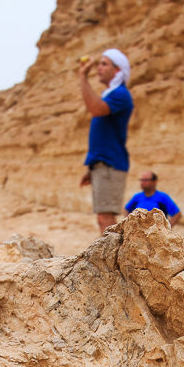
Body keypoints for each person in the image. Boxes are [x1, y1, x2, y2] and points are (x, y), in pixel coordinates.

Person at [79, 49, 134, 235]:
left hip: (110, 164)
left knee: (106, 220)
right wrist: (92, 168)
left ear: (117, 71)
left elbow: (95, 108)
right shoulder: (110, 94)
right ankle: (111, 261)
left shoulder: (120, 94)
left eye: (104, 64)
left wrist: (83, 77)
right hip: (103, 164)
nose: (99, 68)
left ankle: (114, 263)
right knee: (103, 219)